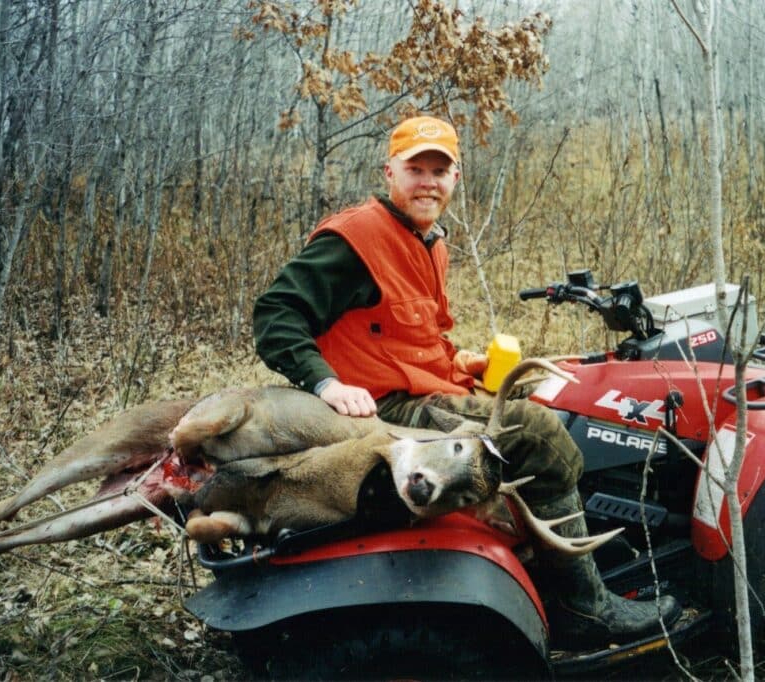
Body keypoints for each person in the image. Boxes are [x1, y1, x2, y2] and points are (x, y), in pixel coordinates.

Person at [253, 115, 681, 649]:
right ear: (390, 172)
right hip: (385, 407)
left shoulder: (427, 239)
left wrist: (464, 362)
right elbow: (275, 316)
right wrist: (326, 385)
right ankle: (586, 611)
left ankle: (550, 546)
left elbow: (407, 334)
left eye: (440, 170)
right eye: (416, 169)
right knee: (537, 432)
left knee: (559, 391)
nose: (428, 182)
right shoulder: (357, 239)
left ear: (456, 177)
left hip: (416, 386)